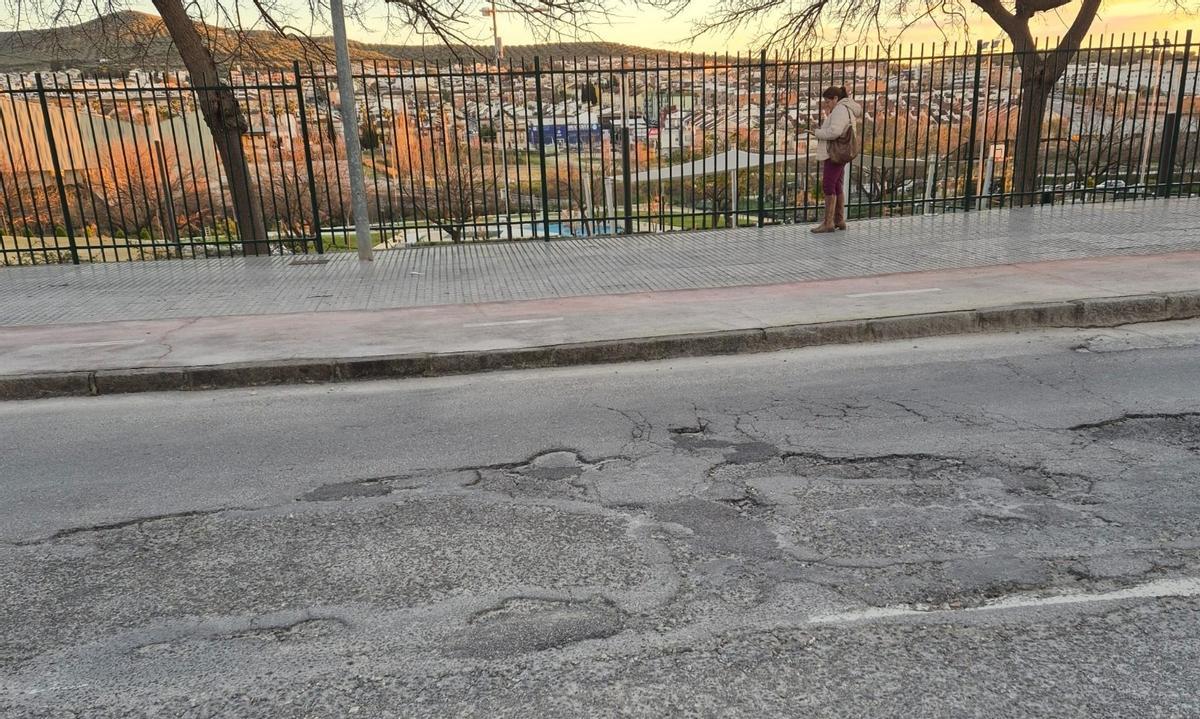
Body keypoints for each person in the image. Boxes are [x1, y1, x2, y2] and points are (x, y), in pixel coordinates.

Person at [810, 86, 862, 233]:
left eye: (828, 102)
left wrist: (818, 133)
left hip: (834, 153)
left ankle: (828, 222)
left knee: (828, 185)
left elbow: (835, 132)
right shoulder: (847, 108)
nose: (826, 105)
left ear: (835, 99)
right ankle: (839, 220)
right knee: (837, 185)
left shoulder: (839, 110)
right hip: (842, 152)